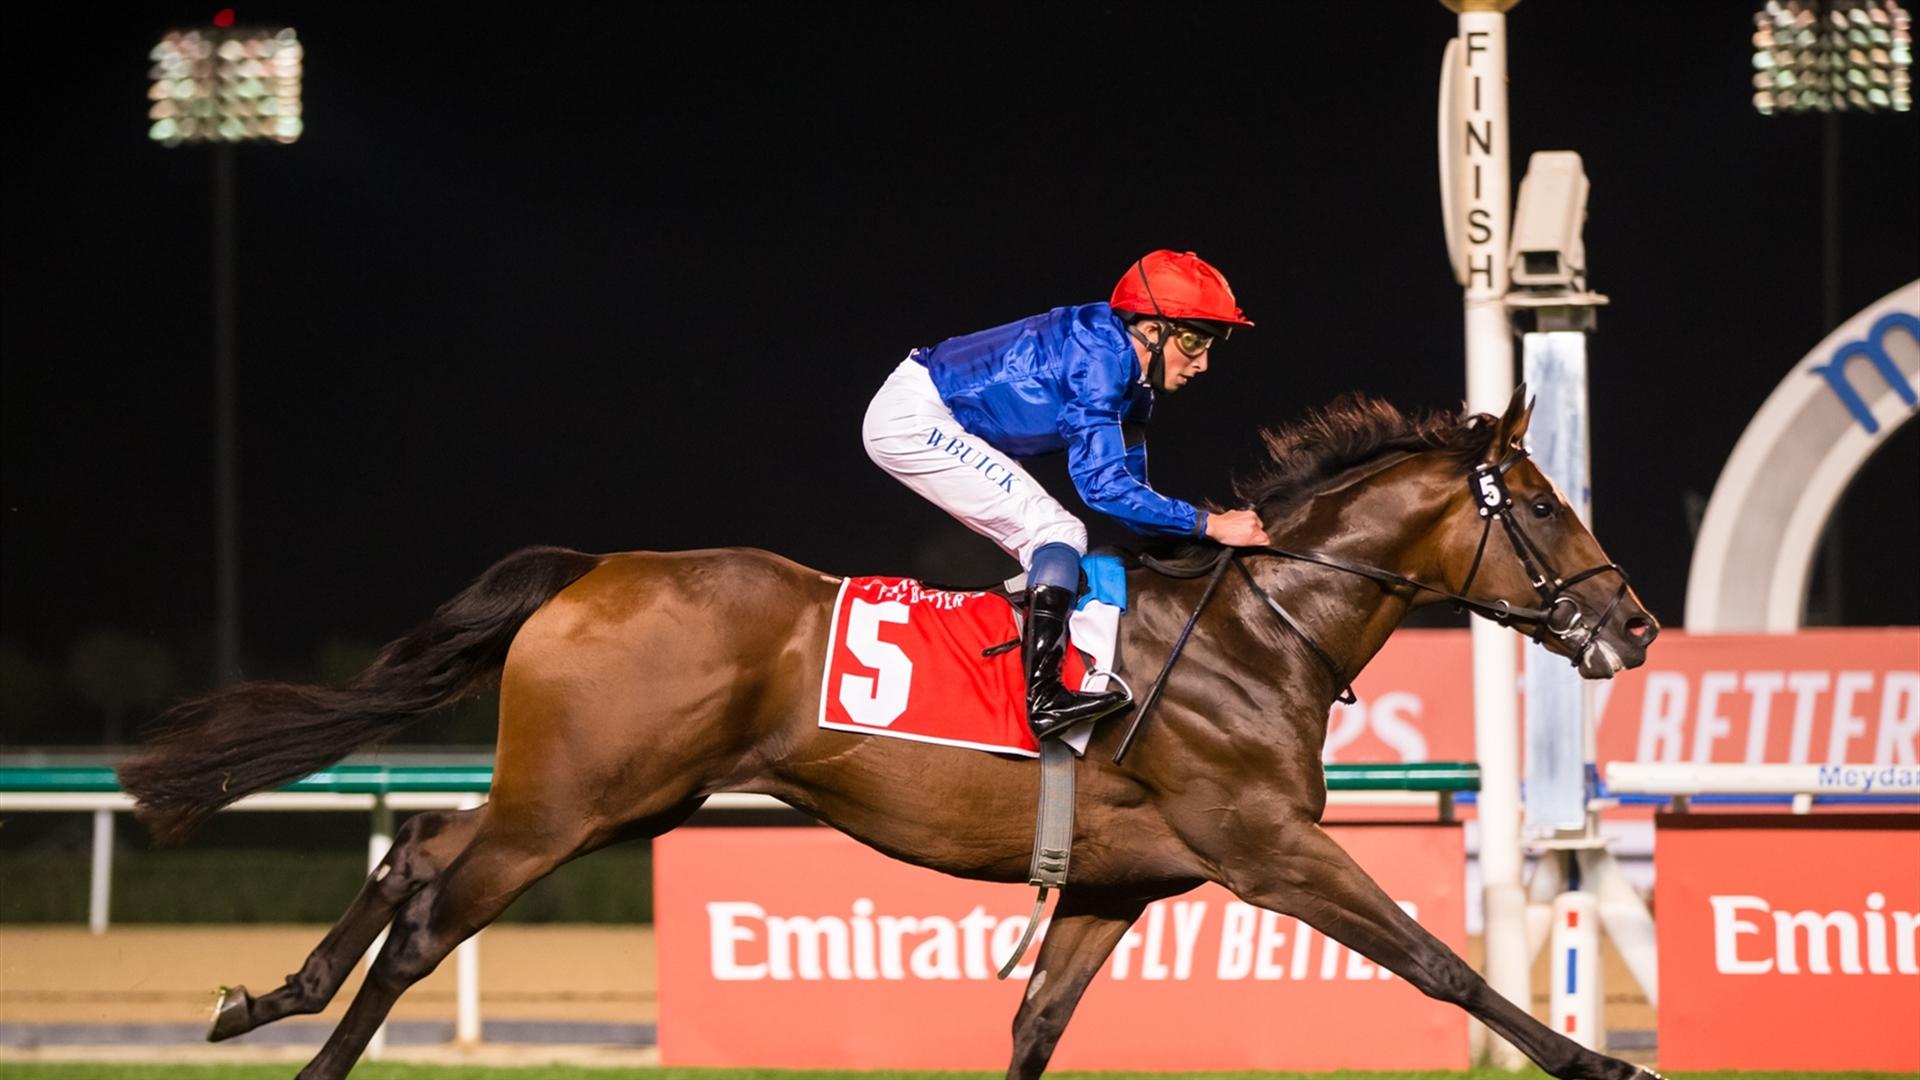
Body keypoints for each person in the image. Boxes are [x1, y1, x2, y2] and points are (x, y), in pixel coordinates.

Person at [862, 250, 1273, 741]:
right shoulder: (1099, 360)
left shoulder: (1133, 385)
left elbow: (1133, 494)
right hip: (915, 416)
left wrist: (1194, 537)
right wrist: (1208, 524)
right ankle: (1043, 698)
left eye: (1210, 345)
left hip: (942, 413)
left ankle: (1004, 677)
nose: (1203, 362)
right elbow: (1101, 488)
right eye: (1193, 340)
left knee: (1051, 550)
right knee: (1059, 533)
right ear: (1150, 329)